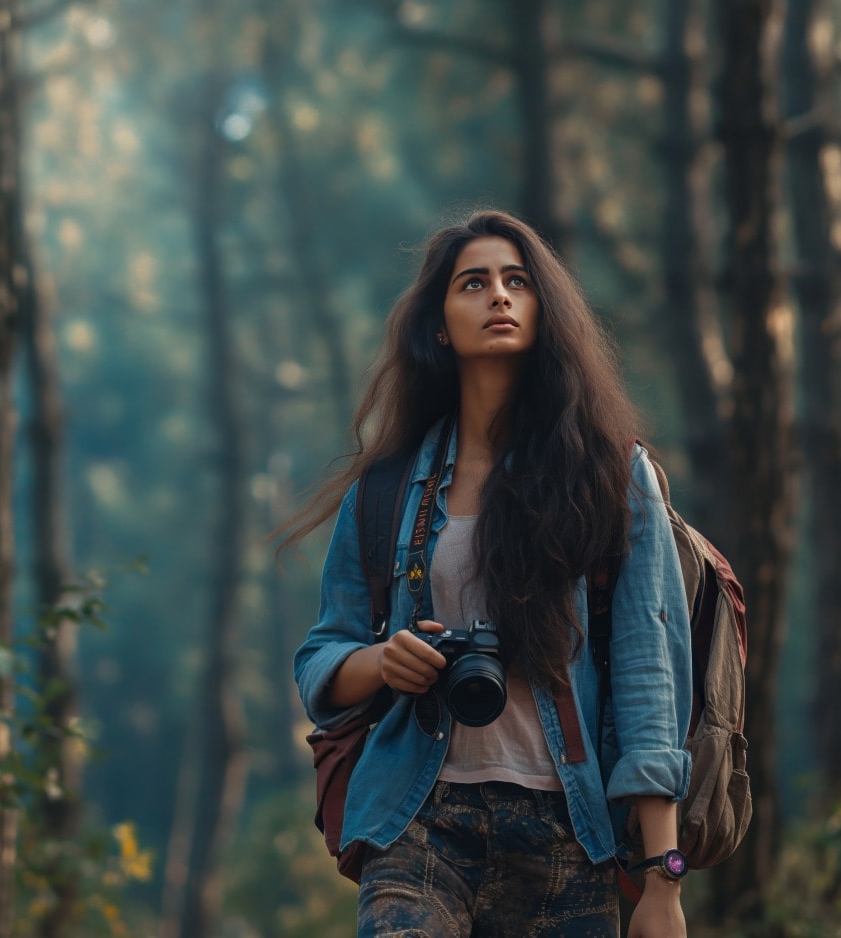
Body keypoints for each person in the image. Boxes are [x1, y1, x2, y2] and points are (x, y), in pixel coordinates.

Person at [288, 209, 692, 937]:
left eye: (517, 281)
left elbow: (647, 672)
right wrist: (383, 660)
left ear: (544, 309)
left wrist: (663, 882)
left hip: (568, 834)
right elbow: (321, 661)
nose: (499, 296)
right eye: (474, 283)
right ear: (440, 325)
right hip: (418, 822)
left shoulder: (613, 476)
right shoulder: (383, 492)